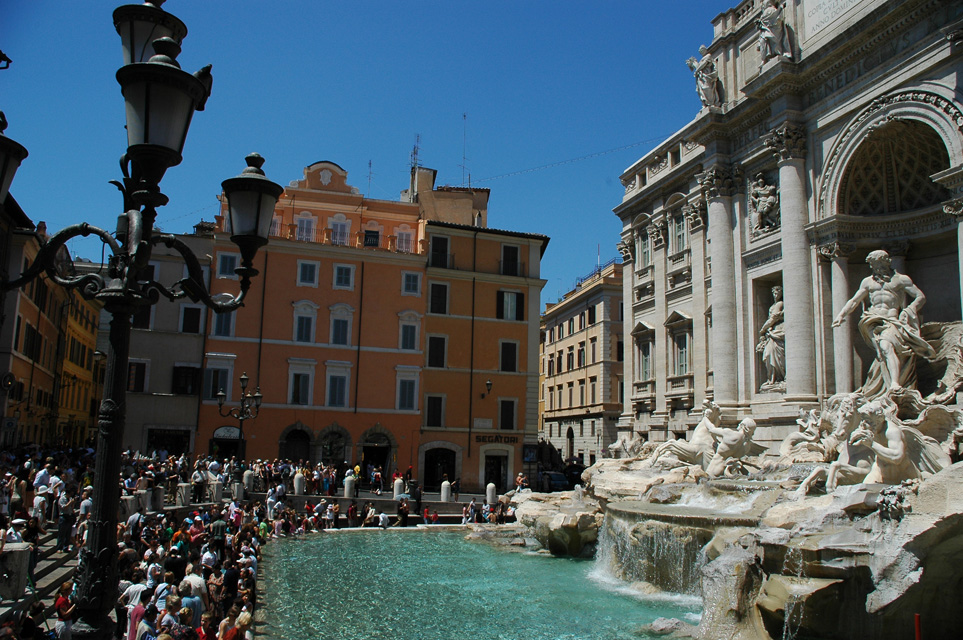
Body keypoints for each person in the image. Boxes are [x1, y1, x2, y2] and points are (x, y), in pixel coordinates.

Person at [832, 249, 935, 398]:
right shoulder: (867, 282)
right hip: (871, 320)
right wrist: (841, 315)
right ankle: (888, 384)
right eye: (874, 266)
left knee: (886, 347)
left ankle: (893, 384)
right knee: (882, 352)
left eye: (880, 265)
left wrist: (910, 308)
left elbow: (920, 297)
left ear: (887, 263)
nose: (877, 269)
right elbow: (854, 300)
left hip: (891, 320)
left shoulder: (900, 279)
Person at [756, 285, 785, 387]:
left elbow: (773, 318)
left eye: (777, 292)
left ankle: (779, 377)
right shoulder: (774, 305)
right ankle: (772, 379)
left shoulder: (780, 304)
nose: (775, 295)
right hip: (772, 332)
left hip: (778, 330)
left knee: (774, 354)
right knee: (768, 354)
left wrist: (762, 329)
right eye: (773, 293)